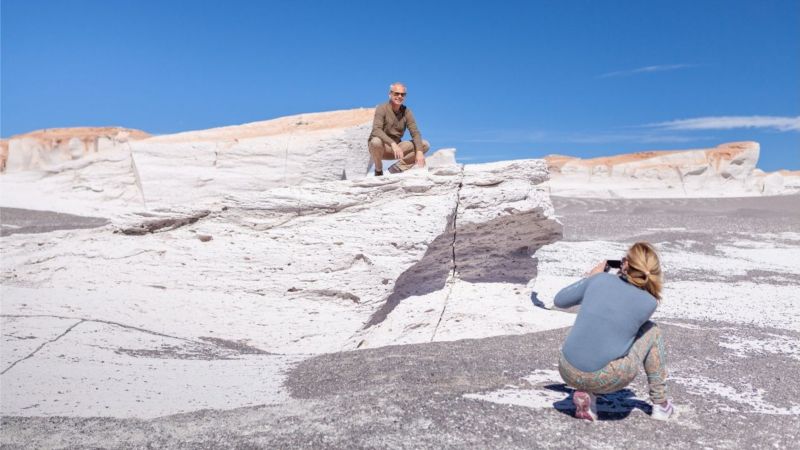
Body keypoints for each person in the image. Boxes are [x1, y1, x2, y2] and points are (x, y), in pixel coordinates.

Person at [555, 242, 675, 421]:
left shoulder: (599, 280)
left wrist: (591, 278)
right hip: (605, 377)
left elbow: (560, 300)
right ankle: (661, 404)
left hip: (567, 369)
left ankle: (589, 397)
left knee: (593, 329)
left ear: (624, 264)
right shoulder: (649, 303)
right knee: (653, 330)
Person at [368, 82, 430, 176]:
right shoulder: (382, 108)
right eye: (396, 93)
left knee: (424, 144)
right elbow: (376, 130)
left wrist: (420, 152)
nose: (399, 96)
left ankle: (398, 168)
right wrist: (392, 143)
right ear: (390, 94)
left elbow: (415, 133)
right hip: (381, 148)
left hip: (397, 149)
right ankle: (378, 170)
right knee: (375, 141)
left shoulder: (406, 112)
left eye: (402, 94)